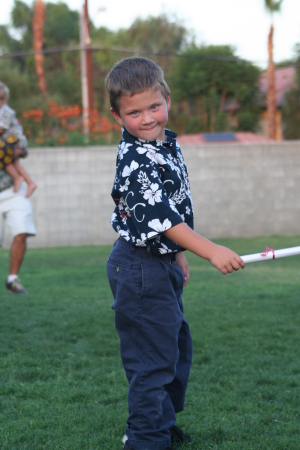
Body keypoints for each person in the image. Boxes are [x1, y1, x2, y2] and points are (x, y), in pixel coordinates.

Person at [105, 56, 245, 450]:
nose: (147, 118)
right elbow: (161, 218)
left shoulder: (166, 144)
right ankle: (146, 439)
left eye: (153, 106)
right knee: (153, 359)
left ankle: (160, 423)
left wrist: (178, 254)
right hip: (138, 268)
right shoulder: (136, 159)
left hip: (158, 262)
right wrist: (209, 250)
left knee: (174, 350)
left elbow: (175, 207)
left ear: (167, 98)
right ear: (117, 116)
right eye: (134, 112)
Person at [0, 83, 36, 294]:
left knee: (21, 231)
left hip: (12, 191)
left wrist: (17, 149)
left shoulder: (7, 117)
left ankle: (12, 279)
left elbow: (22, 146)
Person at [0, 82, 37, 198]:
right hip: (12, 141)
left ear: (4, 99)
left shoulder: (6, 112)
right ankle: (30, 182)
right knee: (15, 163)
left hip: (15, 141)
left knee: (4, 159)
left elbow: (1, 129)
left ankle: (17, 178)